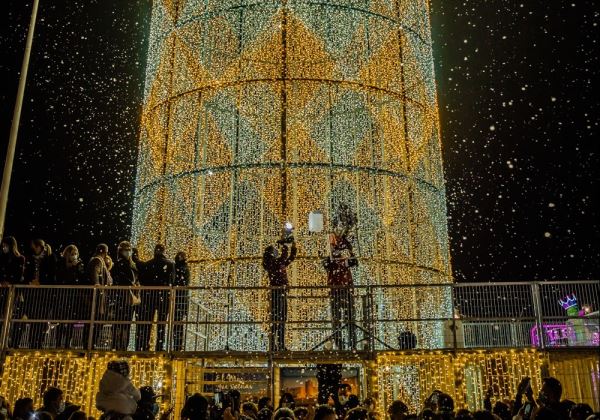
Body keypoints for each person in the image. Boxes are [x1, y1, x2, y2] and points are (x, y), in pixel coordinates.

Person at [322, 224, 357, 350]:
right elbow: (327, 265)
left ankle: (351, 343)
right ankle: (340, 344)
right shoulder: (331, 261)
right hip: (337, 291)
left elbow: (353, 261)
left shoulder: (344, 260)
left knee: (348, 319)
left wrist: (348, 247)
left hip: (344, 290)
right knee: (338, 319)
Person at [136, 244, 174, 351]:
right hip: (164, 297)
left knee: (148, 322)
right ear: (163, 251)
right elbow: (173, 280)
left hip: (149, 297)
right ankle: (159, 346)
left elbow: (142, 280)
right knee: (161, 323)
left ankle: (145, 345)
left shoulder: (148, 264)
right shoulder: (170, 265)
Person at [262, 238, 297, 352]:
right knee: (277, 320)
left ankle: (280, 345)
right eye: (274, 250)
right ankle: (274, 346)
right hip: (276, 293)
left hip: (281, 293)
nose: (277, 252)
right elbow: (283, 258)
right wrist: (285, 245)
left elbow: (289, 259)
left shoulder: (277, 263)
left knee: (281, 320)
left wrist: (293, 247)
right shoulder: (272, 263)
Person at [25, 239, 57, 349]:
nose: (33, 249)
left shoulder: (50, 258)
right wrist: (29, 281)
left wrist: (41, 282)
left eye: (35, 247)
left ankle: (39, 343)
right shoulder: (31, 259)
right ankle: (32, 342)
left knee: (42, 318)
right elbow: (27, 272)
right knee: (33, 318)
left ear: (40, 247)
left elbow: (52, 275)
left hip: (44, 293)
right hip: (33, 293)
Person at [55, 245, 88, 349]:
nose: (74, 256)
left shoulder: (79, 264)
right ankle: (58, 342)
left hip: (74, 296)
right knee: (61, 319)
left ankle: (67, 343)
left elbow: (82, 278)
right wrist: (70, 267)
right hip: (63, 295)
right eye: (72, 253)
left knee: (71, 320)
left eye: (76, 254)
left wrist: (76, 267)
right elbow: (61, 276)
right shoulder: (61, 263)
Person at [110, 241, 139, 351]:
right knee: (121, 322)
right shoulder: (121, 264)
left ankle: (121, 346)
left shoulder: (130, 264)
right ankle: (117, 346)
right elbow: (120, 278)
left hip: (126, 297)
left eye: (129, 250)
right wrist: (132, 284)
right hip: (122, 296)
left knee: (124, 323)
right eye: (125, 250)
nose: (127, 252)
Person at [0, 237, 26, 348]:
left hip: (11, 291)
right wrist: (2, 280)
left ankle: (6, 341)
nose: (4, 248)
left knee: (8, 315)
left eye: (5, 245)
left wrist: (9, 281)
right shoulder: (2, 257)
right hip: (2, 288)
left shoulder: (19, 258)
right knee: (2, 315)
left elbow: (19, 275)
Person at [173, 252, 190, 351]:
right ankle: (178, 346)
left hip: (177, 300)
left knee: (176, 323)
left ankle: (177, 345)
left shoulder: (177, 268)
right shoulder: (185, 268)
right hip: (182, 300)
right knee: (178, 324)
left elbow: (178, 282)